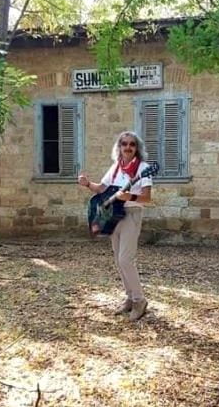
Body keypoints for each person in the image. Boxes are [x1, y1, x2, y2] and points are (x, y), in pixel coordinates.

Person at [78, 131, 152, 322]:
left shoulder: (143, 168)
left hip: (131, 214)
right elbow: (102, 188)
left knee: (126, 259)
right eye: (124, 144)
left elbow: (147, 198)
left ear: (137, 148)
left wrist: (129, 196)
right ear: (119, 147)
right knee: (119, 261)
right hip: (113, 216)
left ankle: (140, 301)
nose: (128, 147)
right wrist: (87, 184)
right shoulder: (116, 167)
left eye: (132, 144)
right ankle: (130, 297)